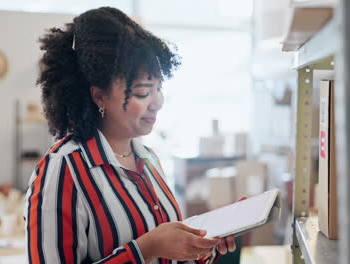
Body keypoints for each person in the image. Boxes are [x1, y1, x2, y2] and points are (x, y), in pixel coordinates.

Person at [24, 7, 238, 264]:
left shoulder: (149, 160)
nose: (157, 102)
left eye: (158, 88)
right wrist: (146, 248)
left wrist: (205, 245)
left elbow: (169, 257)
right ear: (99, 96)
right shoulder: (64, 169)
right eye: (142, 92)